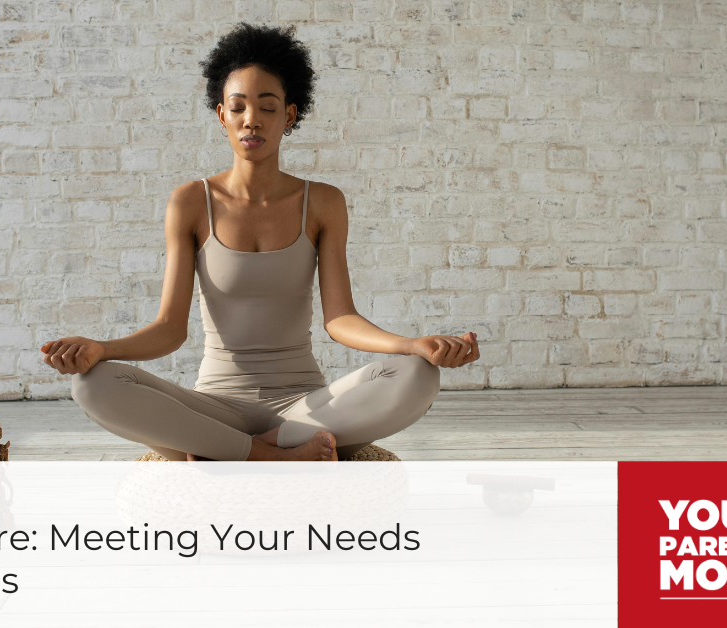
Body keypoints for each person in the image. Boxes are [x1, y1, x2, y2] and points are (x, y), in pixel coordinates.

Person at [40, 23, 480, 461]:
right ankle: (268, 453)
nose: (251, 119)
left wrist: (412, 345)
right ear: (222, 116)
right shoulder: (192, 202)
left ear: (288, 115)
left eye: (267, 108)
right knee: (93, 383)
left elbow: (341, 318)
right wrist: (102, 349)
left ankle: (229, 450)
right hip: (214, 405)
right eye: (238, 108)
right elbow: (170, 330)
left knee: (418, 375)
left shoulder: (323, 202)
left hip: (306, 409)